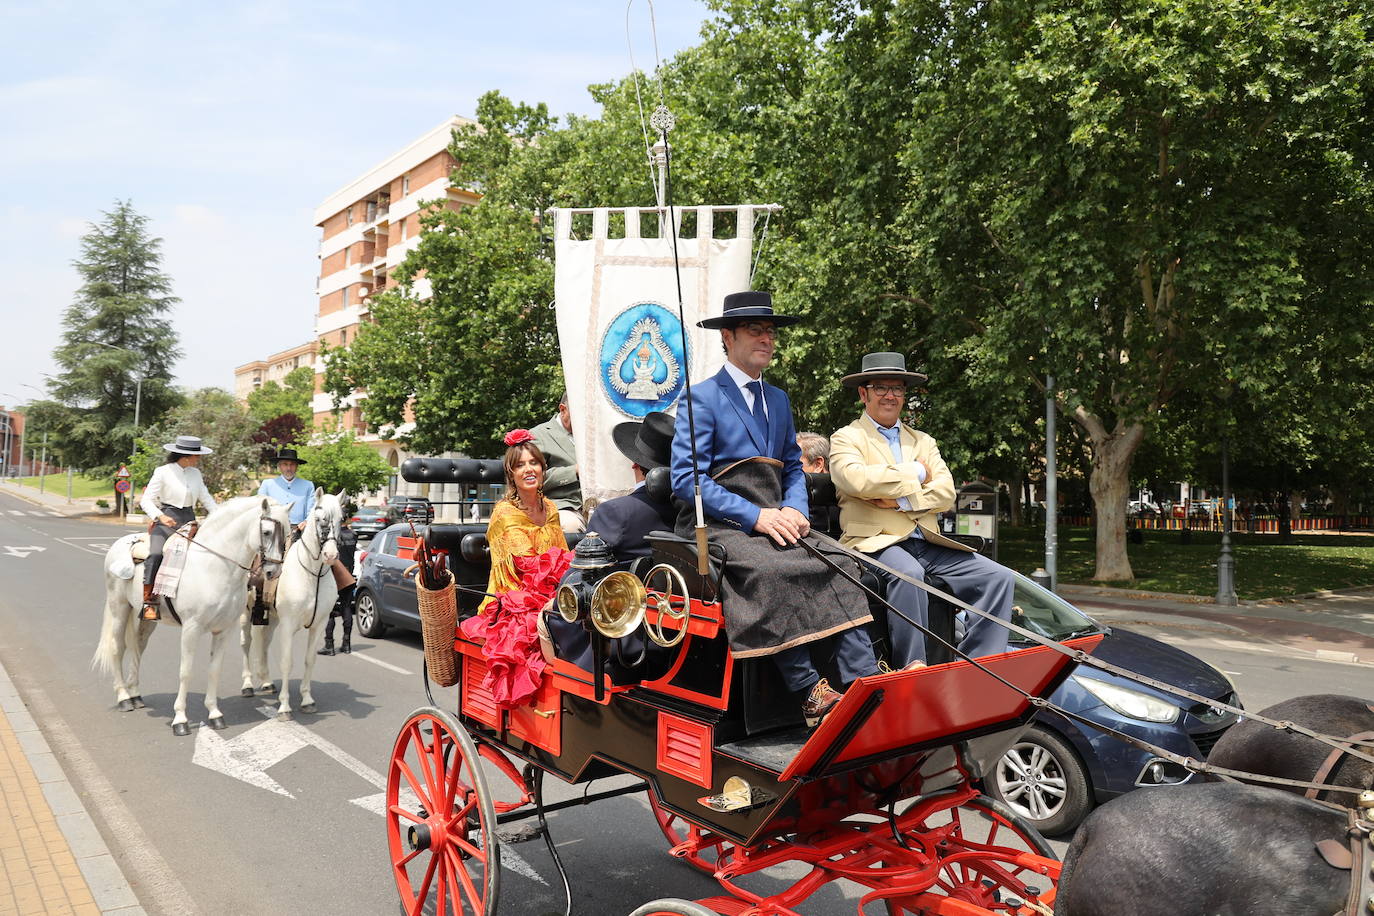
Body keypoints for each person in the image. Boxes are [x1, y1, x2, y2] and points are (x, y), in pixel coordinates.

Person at [671, 291, 879, 727]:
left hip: (778, 516)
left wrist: (796, 508)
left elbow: (791, 467)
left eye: (770, 331)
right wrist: (757, 516)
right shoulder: (701, 398)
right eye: (755, 330)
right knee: (772, 570)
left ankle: (865, 684)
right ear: (727, 337)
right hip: (720, 524)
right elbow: (688, 480)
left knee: (841, 560)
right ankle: (811, 693)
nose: (767, 338)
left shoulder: (779, 400)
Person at [829, 352, 1014, 669]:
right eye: (881, 388)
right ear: (864, 393)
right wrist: (916, 472)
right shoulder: (847, 437)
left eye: (897, 389)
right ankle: (913, 664)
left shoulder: (924, 440)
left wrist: (899, 500)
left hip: (926, 541)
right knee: (909, 575)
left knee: (998, 577)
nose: (890, 396)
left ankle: (981, 663)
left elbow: (945, 494)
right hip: (875, 541)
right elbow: (856, 479)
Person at [549, 411, 677, 668]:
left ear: (634, 465)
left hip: (619, 635)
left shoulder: (616, 512)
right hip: (667, 628)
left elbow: (576, 580)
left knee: (546, 613)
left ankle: (560, 681)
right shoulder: (688, 512)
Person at [459, 430, 571, 708]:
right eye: (520, 465)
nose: (529, 469)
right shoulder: (504, 513)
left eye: (534, 463)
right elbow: (527, 566)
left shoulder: (552, 508)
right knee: (541, 625)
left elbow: (562, 556)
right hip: (513, 597)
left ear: (543, 469)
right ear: (511, 474)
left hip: (547, 589)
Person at [139, 435, 218, 621]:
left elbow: (206, 499)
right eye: (196, 456)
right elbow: (146, 500)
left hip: (189, 521)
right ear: (186, 456)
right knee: (156, 554)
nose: (198, 459)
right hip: (168, 519)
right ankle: (149, 601)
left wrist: (221, 515)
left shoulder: (195, 474)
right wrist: (160, 516)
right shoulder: (162, 472)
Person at [530, 392, 584, 534]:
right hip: (563, 506)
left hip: (600, 504)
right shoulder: (538, 435)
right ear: (562, 409)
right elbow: (532, 478)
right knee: (570, 526)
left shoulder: (592, 435)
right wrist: (574, 471)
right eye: (579, 413)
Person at [317, 514, 359, 656]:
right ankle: (346, 645)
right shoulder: (353, 535)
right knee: (346, 608)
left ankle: (329, 645)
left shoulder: (334, 537)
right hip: (349, 575)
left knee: (330, 612)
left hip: (335, 576)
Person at [258, 448, 316, 537]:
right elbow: (259, 508)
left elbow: (311, 509)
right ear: (279, 466)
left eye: (292, 464)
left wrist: (306, 521)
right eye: (285, 464)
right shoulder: (267, 484)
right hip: (273, 532)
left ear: (297, 466)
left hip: (299, 531)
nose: (289, 468)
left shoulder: (308, 485)